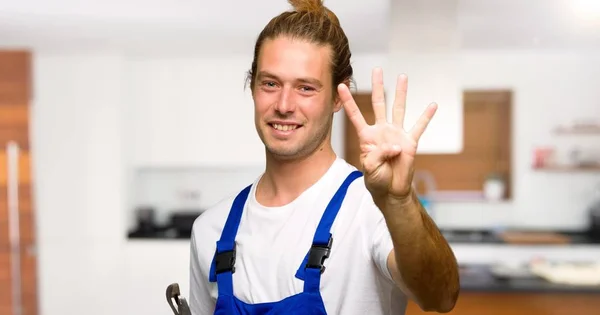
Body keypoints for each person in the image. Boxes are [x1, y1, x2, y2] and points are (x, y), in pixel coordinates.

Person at [188, 0, 460, 314]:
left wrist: (398, 202)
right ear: (253, 88)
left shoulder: (370, 209)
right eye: (271, 83)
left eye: (305, 88)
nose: (284, 104)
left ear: (337, 97)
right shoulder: (211, 229)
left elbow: (440, 297)